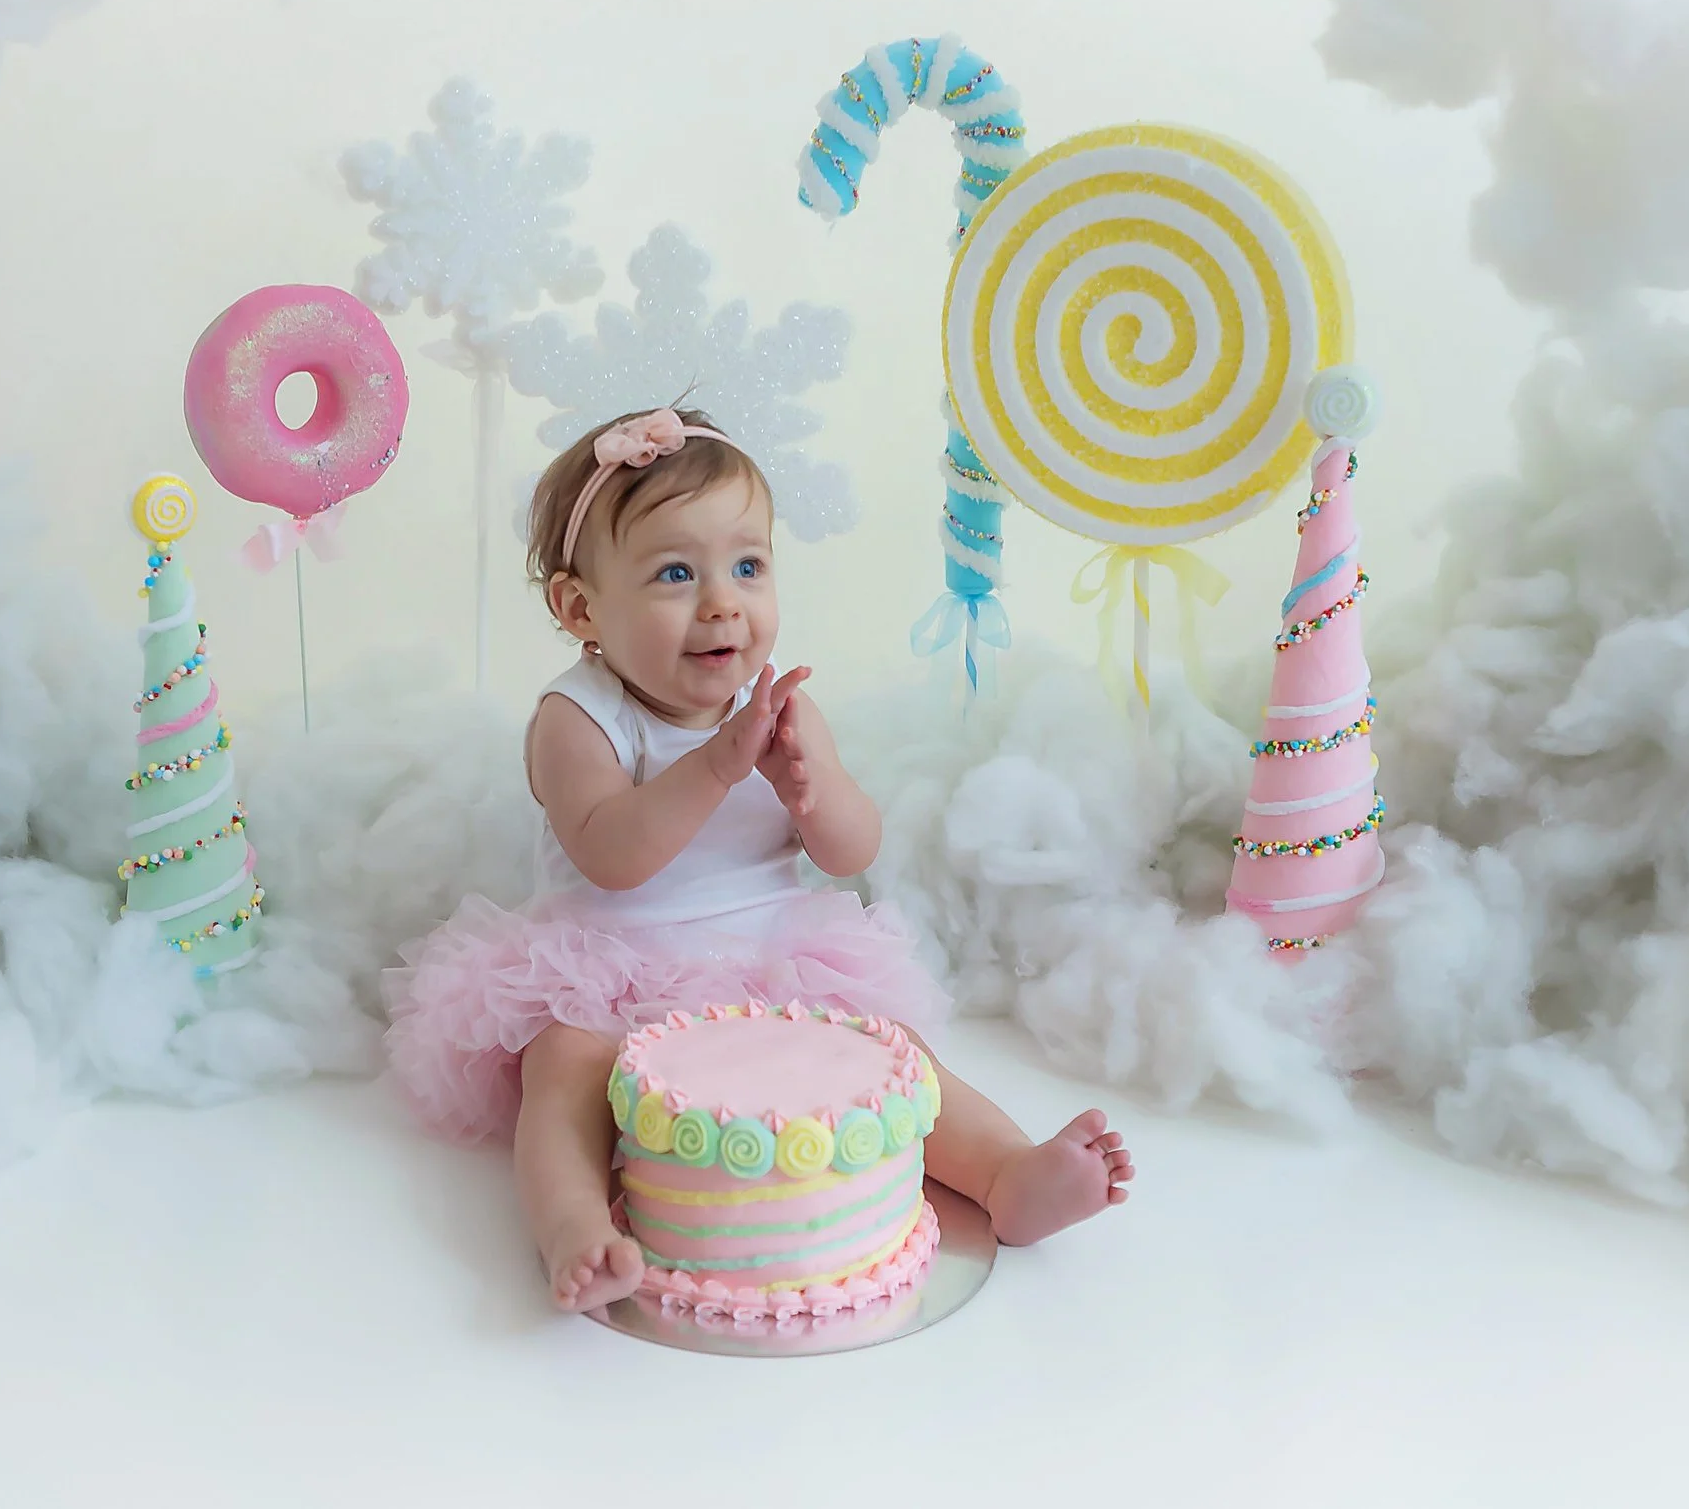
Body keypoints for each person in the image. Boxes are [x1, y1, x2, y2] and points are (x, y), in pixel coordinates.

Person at [385, 406, 1135, 1311]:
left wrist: (814, 791)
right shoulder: (575, 720)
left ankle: (1008, 1170)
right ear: (580, 607)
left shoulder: (779, 706)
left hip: (773, 955)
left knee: (898, 1063)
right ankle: (576, 1227)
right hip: (609, 965)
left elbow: (855, 850)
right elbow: (613, 855)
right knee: (561, 1078)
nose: (721, 602)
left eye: (748, 565)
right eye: (674, 573)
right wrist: (713, 766)